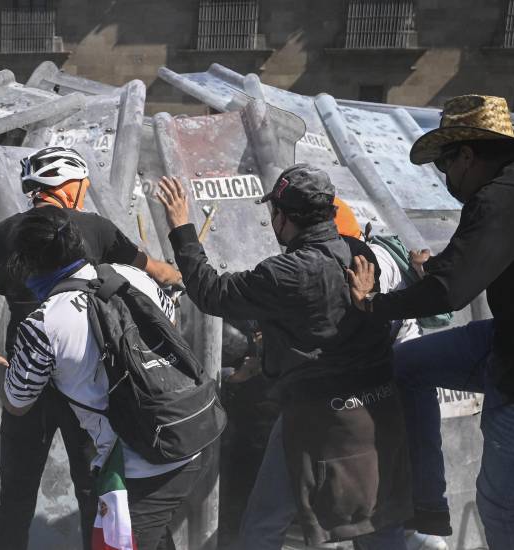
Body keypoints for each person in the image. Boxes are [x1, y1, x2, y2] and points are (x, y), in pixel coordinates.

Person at [346, 94, 514, 550]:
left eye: (443, 164)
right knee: (406, 366)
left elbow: (450, 293)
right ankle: (427, 506)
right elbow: (475, 263)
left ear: (466, 156)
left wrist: (372, 303)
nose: (444, 176)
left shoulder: (501, 198)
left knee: (502, 505)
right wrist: (433, 271)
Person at [158, 165, 411, 549]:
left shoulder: (289, 272)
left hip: (319, 416)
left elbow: (211, 292)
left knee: (265, 525)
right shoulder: (360, 253)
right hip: (376, 410)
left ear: (284, 217)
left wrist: (181, 227)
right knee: (377, 519)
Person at [0, 146, 181, 550]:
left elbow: (11, 293)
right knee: (95, 494)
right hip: (85, 382)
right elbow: (151, 269)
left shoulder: (4, 232)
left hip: (24, 369)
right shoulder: (93, 227)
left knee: (15, 497)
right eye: (83, 185)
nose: (85, 193)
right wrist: (177, 274)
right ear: (68, 186)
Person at [235, 198, 446, 550]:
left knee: (271, 514)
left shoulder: (351, 271)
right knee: (378, 517)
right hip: (378, 403)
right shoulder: (373, 261)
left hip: (336, 406)